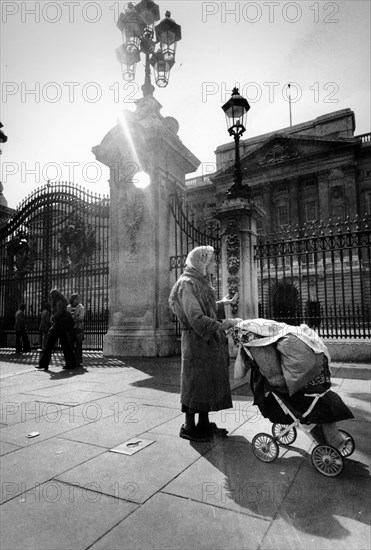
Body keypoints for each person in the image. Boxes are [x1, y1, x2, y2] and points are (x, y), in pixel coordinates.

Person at [169, 245, 239, 442]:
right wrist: (221, 325)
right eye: (211, 261)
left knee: (205, 383)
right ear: (201, 262)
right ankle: (190, 427)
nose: (214, 264)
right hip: (195, 341)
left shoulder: (199, 282)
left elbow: (204, 307)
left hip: (205, 341)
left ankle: (204, 424)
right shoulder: (186, 283)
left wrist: (222, 303)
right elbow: (195, 316)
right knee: (195, 383)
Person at [36, 289, 76, 371]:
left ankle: (44, 363)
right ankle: (71, 363)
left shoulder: (58, 302)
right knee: (65, 345)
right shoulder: (62, 301)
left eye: (52, 295)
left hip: (59, 326)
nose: (51, 297)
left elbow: (59, 312)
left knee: (49, 344)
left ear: (55, 295)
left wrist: (52, 317)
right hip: (61, 326)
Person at [67, 293, 85, 368]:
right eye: (77, 298)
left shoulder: (81, 307)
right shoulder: (68, 307)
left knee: (78, 345)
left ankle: (78, 362)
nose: (78, 300)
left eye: (79, 299)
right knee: (70, 345)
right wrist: (74, 318)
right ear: (73, 299)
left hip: (78, 328)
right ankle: (70, 361)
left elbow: (81, 317)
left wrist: (72, 319)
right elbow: (67, 316)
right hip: (70, 328)